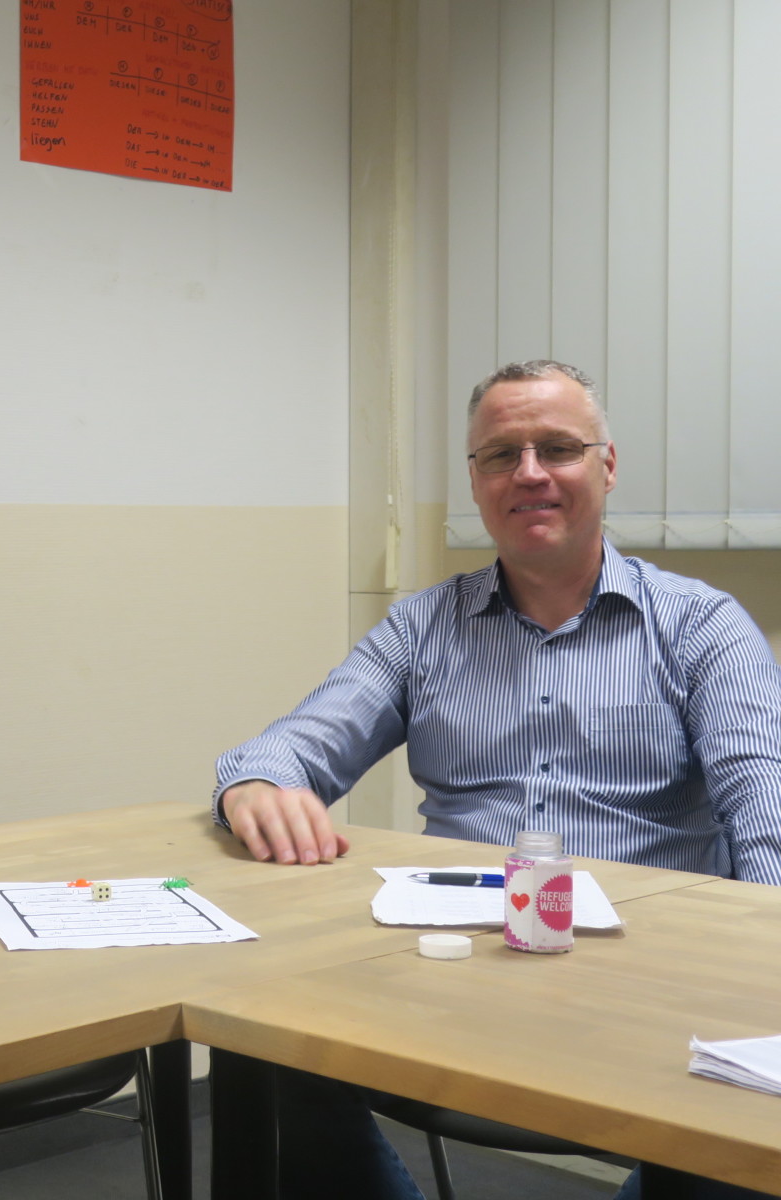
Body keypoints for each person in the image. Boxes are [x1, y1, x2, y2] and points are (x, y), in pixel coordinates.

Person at [214, 359, 781, 1200]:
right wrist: (255, 786)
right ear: (476, 481)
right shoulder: (422, 627)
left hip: (650, 982)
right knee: (257, 1035)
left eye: (558, 448)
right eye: (501, 455)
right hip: (452, 968)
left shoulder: (702, 627)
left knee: (745, 1118)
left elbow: (766, 818)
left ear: (607, 467)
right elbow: (290, 749)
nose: (530, 473)